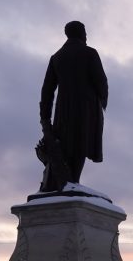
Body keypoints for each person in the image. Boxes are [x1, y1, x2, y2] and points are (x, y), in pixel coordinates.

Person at [37, 21, 108, 190]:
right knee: (80, 144)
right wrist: (101, 102)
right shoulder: (90, 53)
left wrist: (45, 117)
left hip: (63, 109)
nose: (86, 36)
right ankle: (72, 181)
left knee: (66, 145)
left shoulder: (57, 57)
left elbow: (47, 90)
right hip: (86, 108)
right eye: (85, 32)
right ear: (81, 33)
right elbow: (101, 81)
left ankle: (70, 182)